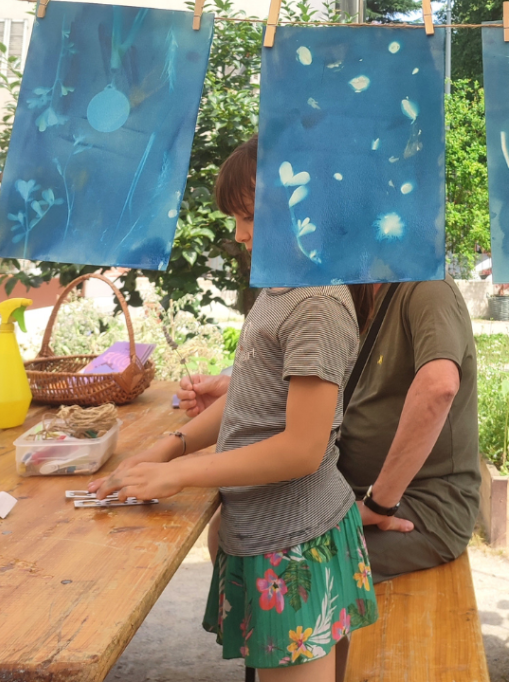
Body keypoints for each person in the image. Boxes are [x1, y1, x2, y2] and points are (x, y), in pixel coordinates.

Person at [91, 138, 378, 680]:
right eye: (235, 218)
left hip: (296, 545)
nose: (240, 234)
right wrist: (167, 446)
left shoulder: (317, 302)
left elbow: (301, 448)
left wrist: (180, 475)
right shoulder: (279, 289)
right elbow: (251, 397)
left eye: (249, 217)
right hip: (269, 534)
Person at [180, 194, 481, 587]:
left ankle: (312, 647)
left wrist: (377, 502)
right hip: (347, 484)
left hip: (416, 507)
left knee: (270, 556)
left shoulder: (426, 283)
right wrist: (233, 388)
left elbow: (439, 386)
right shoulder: (358, 285)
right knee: (233, 526)